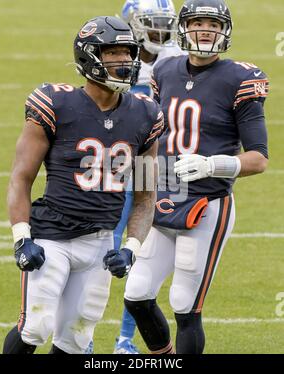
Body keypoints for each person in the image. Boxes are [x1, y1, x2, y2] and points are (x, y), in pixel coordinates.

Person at [2, 16, 164, 354]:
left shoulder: (147, 114)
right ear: (90, 56)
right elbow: (21, 177)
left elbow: (147, 196)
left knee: (76, 339)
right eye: (113, 53)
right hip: (52, 237)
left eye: (128, 53)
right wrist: (21, 238)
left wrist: (130, 249)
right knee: (36, 325)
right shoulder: (55, 104)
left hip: (100, 243)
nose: (124, 61)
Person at [118, 0, 269, 354]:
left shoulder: (241, 78)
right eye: (199, 22)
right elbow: (154, 134)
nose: (206, 30)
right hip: (165, 194)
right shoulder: (165, 69)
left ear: (225, 31)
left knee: (184, 303)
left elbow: (258, 159)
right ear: (184, 28)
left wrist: (211, 164)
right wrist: (141, 181)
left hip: (207, 202)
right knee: (136, 295)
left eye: (213, 25)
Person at [112, 0, 184, 354]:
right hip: (117, 159)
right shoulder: (116, 53)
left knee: (140, 253)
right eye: (152, 24)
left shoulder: (178, 56)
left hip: (159, 160)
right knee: (105, 249)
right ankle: (83, 332)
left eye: (165, 23)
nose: (161, 31)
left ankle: (124, 340)